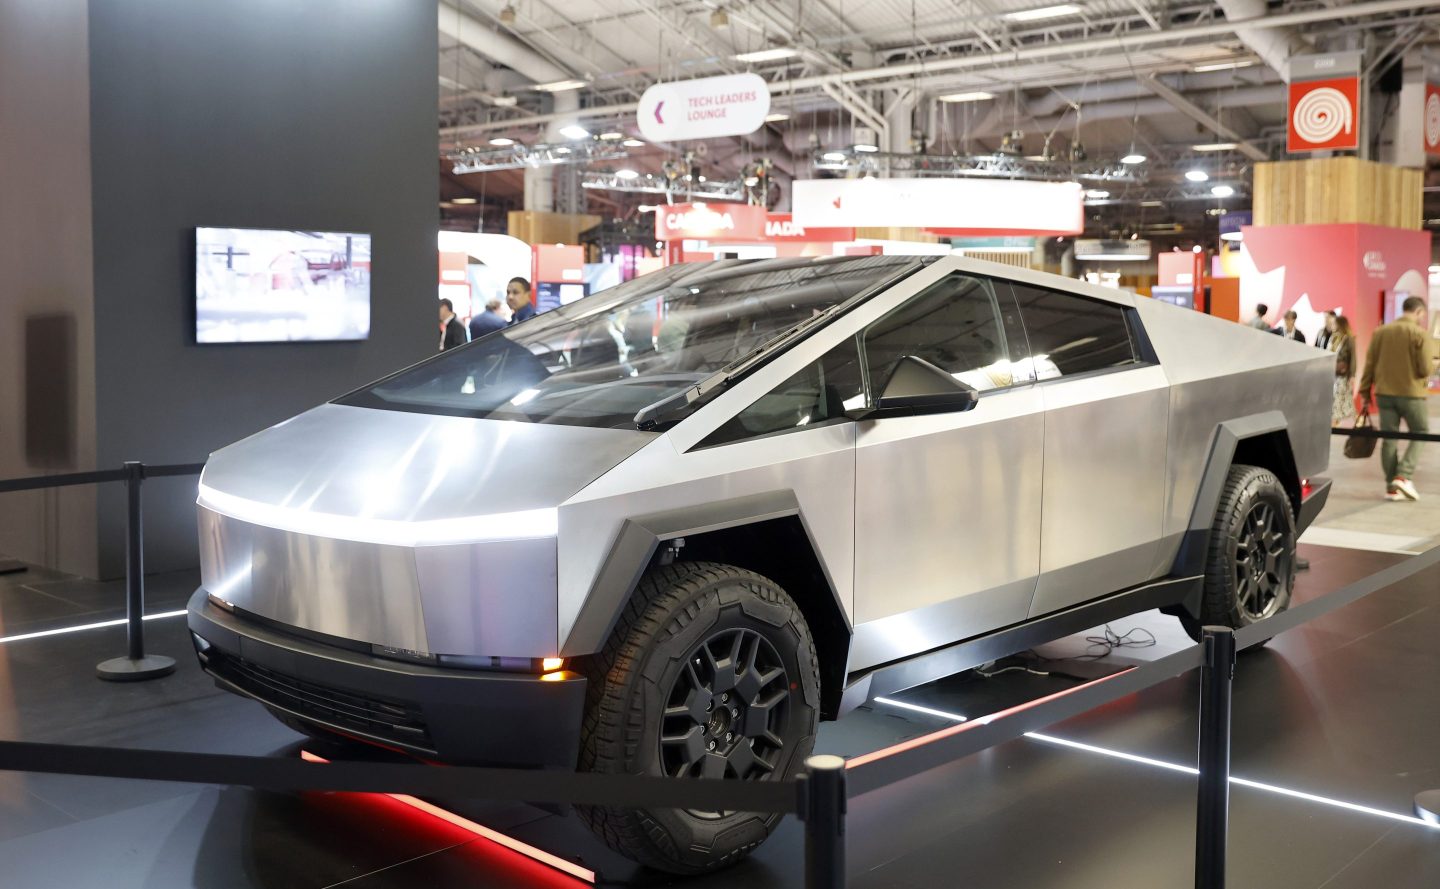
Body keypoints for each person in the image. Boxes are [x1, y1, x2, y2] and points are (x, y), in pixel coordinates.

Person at [1359, 295, 1435, 501]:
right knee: (1421, 432)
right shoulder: (1419, 333)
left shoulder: (1381, 332)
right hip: (1412, 394)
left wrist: (1365, 392)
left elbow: (1369, 365)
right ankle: (1403, 475)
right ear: (1419, 312)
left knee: (1389, 438)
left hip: (1384, 394)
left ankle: (1391, 487)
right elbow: (1425, 369)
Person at [1330, 314, 1355, 424]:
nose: (1332, 325)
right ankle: (1337, 419)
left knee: (1339, 396)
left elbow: (1353, 358)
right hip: (1332, 372)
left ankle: (1335, 420)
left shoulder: (1349, 339)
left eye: (1334, 323)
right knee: (1339, 397)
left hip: (1343, 374)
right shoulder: (1334, 338)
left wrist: (1352, 375)